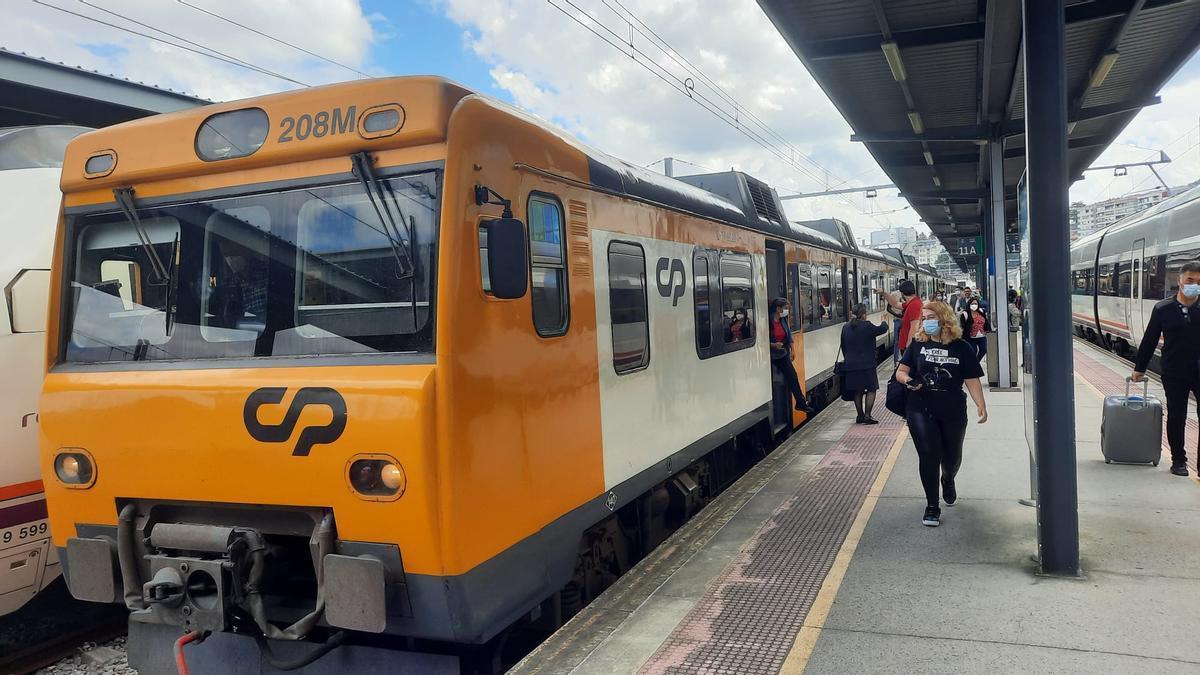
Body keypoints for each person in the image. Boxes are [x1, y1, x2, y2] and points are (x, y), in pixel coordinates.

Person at [896, 301, 989, 527]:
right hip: (920, 408)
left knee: (951, 457)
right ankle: (932, 505)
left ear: (944, 319)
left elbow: (971, 379)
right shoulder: (918, 345)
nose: (926, 322)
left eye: (931, 318)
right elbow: (901, 371)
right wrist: (909, 381)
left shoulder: (961, 347)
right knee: (928, 455)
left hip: (952, 409)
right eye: (924, 318)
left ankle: (948, 479)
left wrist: (981, 405)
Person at [1131, 261, 1200, 476]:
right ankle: (1178, 460)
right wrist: (1139, 368)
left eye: (1199, 282)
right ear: (1179, 281)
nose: (1194, 285)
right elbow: (1150, 339)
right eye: (1190, 280)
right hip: (1174, 370)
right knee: (1177, 415)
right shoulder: (1163, 309)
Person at [840, 303, 889, 424]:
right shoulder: (867, 326)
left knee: (858, 390)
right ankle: (867, 415)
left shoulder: (845, 327)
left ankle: (860, 416)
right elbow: (882, 329)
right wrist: (884, 322)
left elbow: (843, 346)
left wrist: (848, 358)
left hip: (851, 364)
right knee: (871, 389)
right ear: (864, 314)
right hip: (867, 364)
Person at [770, 298, 816, 414]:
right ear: (778, 309)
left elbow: (789, 335)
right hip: (772, 354)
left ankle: (800, 403)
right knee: (789, 377)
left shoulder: (783, 320)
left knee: (793, 377)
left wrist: (792, 349)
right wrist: (773, 345)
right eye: (785, 308)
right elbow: (763, 340)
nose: (787, 311)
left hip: (782, 353)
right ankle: (799, 403)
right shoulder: (769, 322)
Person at [878, 279, 922, 359]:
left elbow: (914, 328)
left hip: (908, 347)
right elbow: (895, 304)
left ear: (902, 293)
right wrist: (883, 293)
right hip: (906, 346)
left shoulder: (914, 305)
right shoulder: (911, 303)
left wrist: (908, 349)